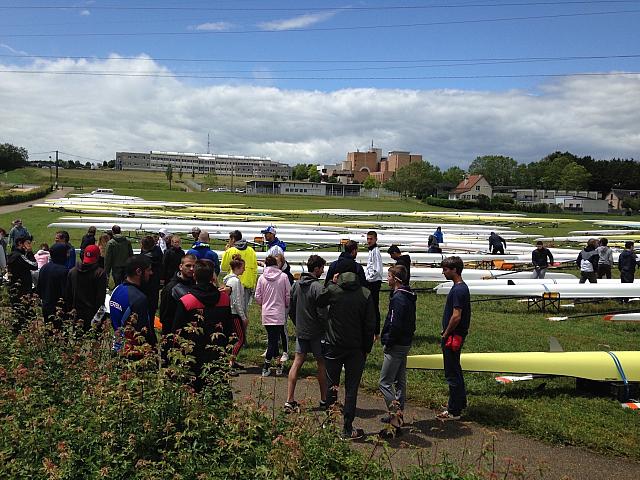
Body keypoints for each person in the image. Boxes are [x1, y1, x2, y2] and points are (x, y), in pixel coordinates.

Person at [317, 271, 376, 440]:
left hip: (334, 345)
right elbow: (370, 324)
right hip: (356, 348)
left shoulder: (334, 291)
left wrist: (330, 284)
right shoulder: (365, 294)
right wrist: (367, 348)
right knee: (351, 388)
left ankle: (329, 422)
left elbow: (319, 301)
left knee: (331, 384)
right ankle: (347, 427)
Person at [172, 260, 231, 392]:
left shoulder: (187, 301)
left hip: (193, 355)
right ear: (212, 277)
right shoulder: (224, 299)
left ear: (194, 276)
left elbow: (177, 331)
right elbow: (228, 328)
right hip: (217, 352)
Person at [285, 255, 328, 412]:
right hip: (317, 332)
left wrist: (298, 323)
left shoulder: (296, 285)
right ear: (316, 269)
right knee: (321, 363)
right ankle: (324, 399)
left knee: (297, 362)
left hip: (302, 331)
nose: (323, 271)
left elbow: (291, 308)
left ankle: (289, 400)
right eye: (322, 268)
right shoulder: (318, 287)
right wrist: (325, 328)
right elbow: (323, 313)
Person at [379, 265, 416, 436]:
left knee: (384, 382)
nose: (387, 279)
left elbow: (395, 323)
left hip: (396, 344)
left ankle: (396, 415)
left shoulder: (398, 299)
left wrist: (388, 340)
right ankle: (398, 418)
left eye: (389, 276)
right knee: (400, 381)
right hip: (405, 342)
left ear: (396, 279)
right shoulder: (409, 296)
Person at [438, 256, 471, 421]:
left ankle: (454, 410)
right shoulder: (461, 288)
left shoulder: (458, 290)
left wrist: (445, 333)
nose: (443, 272)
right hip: (456, 335)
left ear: (454, 270)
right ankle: (459, 402)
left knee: (451, 372)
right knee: (456, 369)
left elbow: (456, 316)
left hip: (453, 336)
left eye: (445, 269)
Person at [109, 255, 156, 355]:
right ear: (138, 272)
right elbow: (143, 334)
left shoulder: (117, 289)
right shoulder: (139, 299)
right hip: (133, 353)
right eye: (148, 270)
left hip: (117, 346)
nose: (151, 273)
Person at [255, 255, 291, 377]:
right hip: (279, 312)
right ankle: (266, 365)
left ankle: (278, 362)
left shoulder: (262, 278)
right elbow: (288, 295)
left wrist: (263, 304)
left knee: (273, 339)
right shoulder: (283, 277)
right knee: (273, 341)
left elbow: (257, 296)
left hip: (266, 312)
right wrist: (286, 305)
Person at [159, 253, 196, 366]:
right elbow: (164, 316)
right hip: (173, 335)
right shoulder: (170, 288)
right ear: (181, 266)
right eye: (188, 266)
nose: (191, 269)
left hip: (192, 335)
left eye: (194, 266)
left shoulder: (196, 285)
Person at [65, 244, 108, 332]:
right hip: (93, 314)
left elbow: (68, 295)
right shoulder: (100, 274)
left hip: (76, 314)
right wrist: (98, 318)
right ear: (98, 257)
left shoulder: (72, 272)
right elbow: (100, 299)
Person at [221, 230, 258, 313]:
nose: (229, 242)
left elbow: (224, 267)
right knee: (243, 311)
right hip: (247, 284)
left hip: (233, 284)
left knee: (233, 309)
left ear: (233, 239)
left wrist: (226, 252)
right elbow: (255, 268)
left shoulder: (230, 251)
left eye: (229, 240)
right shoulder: (251, 250)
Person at [223, 254, 249, 374]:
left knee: (233, 339)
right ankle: (230, 363)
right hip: (234, 314)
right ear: (238, 267)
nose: (244, 269)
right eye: (243, 267)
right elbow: (237, 300)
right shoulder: (235, 281)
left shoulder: (230, 279)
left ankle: (232, 360)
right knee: (240, 339)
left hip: (231, 312)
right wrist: (243, 317)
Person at [7, 236, 38, 332]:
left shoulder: (13, 254)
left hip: (15, 289)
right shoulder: (19, 256)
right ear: (20, 244)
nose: (29, 245)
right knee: (24, 316)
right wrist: (30, 252)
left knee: (18, 315)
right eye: (27, 243)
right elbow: (34, 265)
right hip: (23, 290)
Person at [37, 243, 70, 329]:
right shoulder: (64, 271)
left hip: (46, 306)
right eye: (66, 253)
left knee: (48, 331)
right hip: (59, 309)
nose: (68, 255)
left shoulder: (44, 268)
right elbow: (66, 293)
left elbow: (39, 289)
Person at [140, 235, 163, 322]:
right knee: (152, 308)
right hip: (155, 283)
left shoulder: (143, 259)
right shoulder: (158, 251)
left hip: (145, 285)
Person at [365, 230, 383, 336]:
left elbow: (376, 270)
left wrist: (368, 279)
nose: (369, 241)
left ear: (376, 239)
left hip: (373, 283)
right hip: (372, 281)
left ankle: (376, 332)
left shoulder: (375, 251)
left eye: (371, 239)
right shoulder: (371, 251)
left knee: (374, 308)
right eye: (368, 239)